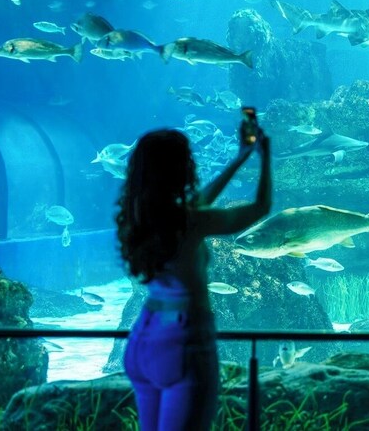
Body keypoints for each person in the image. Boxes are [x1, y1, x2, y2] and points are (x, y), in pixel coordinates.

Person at [116, 116, 272, 431]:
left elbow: (198, 202)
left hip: (144, 338)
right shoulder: (190, 221)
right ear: (181, 169)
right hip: (183, 341)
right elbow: (260, 208)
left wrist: (240, 158)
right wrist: (266, 156)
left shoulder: (139, 215)